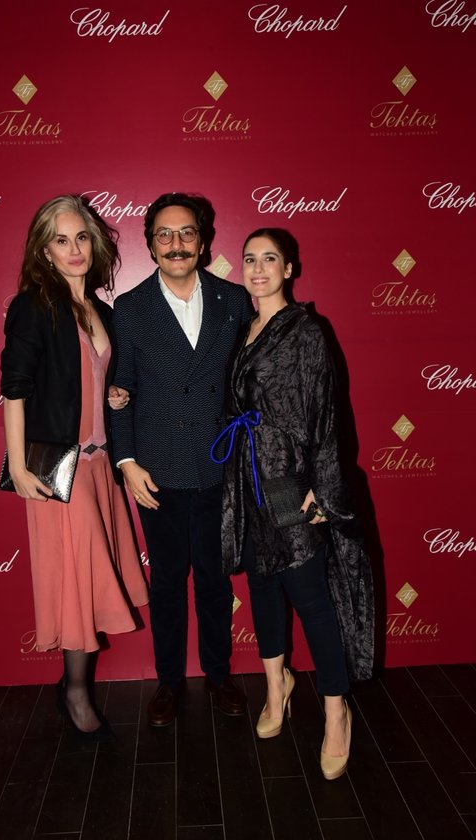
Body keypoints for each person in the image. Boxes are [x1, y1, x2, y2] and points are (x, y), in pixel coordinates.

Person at [212, 228, 374, 780]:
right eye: (250, 259)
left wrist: (321, 488)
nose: (258, 269)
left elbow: (327, 415)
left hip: (289, 482)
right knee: (262, 588)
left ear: (289, 269)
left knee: (310, 598)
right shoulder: (245, 330)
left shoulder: (306, 331)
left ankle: (336, 712)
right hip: (248, 480)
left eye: (269, 259)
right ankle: (276, 686)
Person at [0, 194, 148, 741]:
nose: (74, 249)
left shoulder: (101, 311)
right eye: (60, 240)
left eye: (81, 237)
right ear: (45, 250)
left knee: (86, 580)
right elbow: (15, 389)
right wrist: (19, 466)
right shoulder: (33, 306)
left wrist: (112, 396)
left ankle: (72, 687)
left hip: (100, 465)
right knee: (76, 583)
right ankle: (76, 694)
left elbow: (83, 378)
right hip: (58, 470)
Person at [110, 192, 253, 726]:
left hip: (220, 465)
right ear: (150, 245)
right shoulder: (130, 308)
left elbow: (248, 383)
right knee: (168, 582)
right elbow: (118, 391)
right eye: (164, 235)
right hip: (157, 471)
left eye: (186, 233)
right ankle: (169, 682)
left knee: (215, 580)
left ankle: (217, 674)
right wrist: (126, 461)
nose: (176, 244)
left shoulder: (233, 300)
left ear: (203, 240)